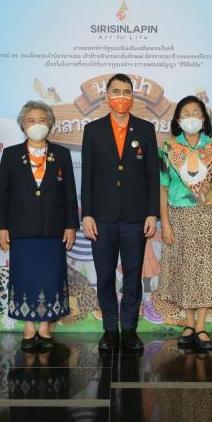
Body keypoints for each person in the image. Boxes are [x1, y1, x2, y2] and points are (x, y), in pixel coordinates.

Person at [81, 73, 159, 352]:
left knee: (133, 275)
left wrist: (152, 213)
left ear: (132, 97)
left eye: (127, 92)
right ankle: (109, 330)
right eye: (116, 92)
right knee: (104, 275)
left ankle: (129, 329)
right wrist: (87, 214)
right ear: (107, 96)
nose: (121, 97)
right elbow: (87, 175)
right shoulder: (93, 130)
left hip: (135, 217)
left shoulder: (145, 129)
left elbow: (152, 175)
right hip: (101, 218)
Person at [151, 95, 212, 351]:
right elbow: (163, 188)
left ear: (204, 118)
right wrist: (165, 223)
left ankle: (201, 326)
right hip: (178, 217)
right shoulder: (168, 148)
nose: (192, 118)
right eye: (186, 113)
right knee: (183, 270)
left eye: (196, 113)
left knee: (206, 271)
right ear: (178, 120)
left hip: (210, 216)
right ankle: (188, 324)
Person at [0, 101, 79, 351]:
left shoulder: (61, 154)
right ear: (23, 125)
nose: (37, 125)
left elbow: (69, 193)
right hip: (21, 229)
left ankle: (44, 327)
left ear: (50, 124)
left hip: (54, 229)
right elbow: (2, 195)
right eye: (31, 121)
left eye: (42, 120)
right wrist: (1, 226)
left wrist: (71, 226)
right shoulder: (11, 155)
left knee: (51, 277)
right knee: (25, 277)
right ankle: (29, 327)